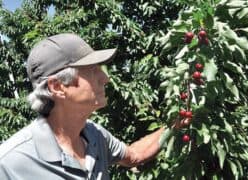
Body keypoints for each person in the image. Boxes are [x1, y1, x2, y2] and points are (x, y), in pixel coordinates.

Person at [0, 33, 190, 180]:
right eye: (92, 71)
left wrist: (175, 124)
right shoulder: (10, 162)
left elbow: (134, 155)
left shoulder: (94, 135)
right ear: (58, 87)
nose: (105, 79)